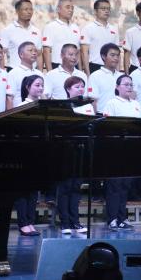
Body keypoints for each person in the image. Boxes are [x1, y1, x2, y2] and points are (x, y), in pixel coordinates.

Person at [99, 75, 141, 230]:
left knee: (125, 185)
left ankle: (122, 217)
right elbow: (107, 126)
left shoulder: (136, 104)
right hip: (116, 148)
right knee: (114, 185)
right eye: (126, 84)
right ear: (117, 87)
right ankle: (112, 218)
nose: (129, 87)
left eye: (131, 84)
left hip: (131, 147)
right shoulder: (112, 103)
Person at [55, 75, 90, 235]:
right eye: (77, 87)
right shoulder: (64, 107)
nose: (80, 89)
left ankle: (75, 221)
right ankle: (65, 222)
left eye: (82, 86)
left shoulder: (88, 106)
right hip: (66, 151)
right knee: (65, 188)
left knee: (76, 188)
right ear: (68, 90)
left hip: (82, 151)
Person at [14, 75, 44, 236]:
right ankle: (23, 222)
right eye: (37, 85)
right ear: (27, 87)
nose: (40, 88)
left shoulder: (42, 106)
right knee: (22, 189)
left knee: (33, 191)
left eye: (42, 85)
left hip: (38, 151)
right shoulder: (22, 106)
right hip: (24, 151)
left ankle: (30, 221)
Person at [80, 0, 121, 75]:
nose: (106, 11)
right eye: (103, 9)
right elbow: (84, 53)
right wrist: (87, 74)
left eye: (108, 9)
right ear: (95, 11)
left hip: (111, 67)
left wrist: (118, 73)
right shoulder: (88, 28)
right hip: (94, 66)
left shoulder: (114, 29)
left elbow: (117, 52)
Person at [41, 0, 80, 72]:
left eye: (72, 8)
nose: (71, 10)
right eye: (67, 7)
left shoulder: (76, 27)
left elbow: (78, 51)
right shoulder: (50, 27)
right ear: (58, 9)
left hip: (75, 68)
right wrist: (50, 72)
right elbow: (46, 51)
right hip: (57, 66)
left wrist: (80, 70)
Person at [1, 0, 40, 71]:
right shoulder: (8, 30)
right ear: (17, 11)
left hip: (33, 72)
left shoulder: (37, 31)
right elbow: (1, 53)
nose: (29, 12)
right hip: (14, 70)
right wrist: (1, 73)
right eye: (26, 9)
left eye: (31, 9)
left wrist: (40, 73)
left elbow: (39, 54)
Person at [87, 43, 123, 112]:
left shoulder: (122, 76)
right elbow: (93, 100)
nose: (116, 58)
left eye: (118, 55)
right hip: (102, 114)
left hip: (120, 114)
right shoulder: (95, 76)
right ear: (103, 56)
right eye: (112, 55)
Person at [6, 42, 43, 109]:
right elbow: (9, 98)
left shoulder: (39, 73)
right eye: (30, 50)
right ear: (21, 54)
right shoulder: (13, 73)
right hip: (20, 112)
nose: (34, 53)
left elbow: (43, 96)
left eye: (35, 51)